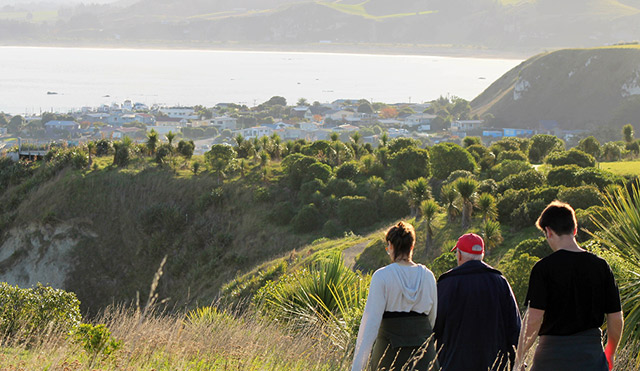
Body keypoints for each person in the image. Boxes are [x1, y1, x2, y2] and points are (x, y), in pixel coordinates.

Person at [514, 201, 624, 371]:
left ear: (548, 231)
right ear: (574, 229)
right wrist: (610, 352)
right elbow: (616, 318)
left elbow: (534, 320)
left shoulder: (543, 268)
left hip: (551, 358)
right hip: (591, 357)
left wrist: (519, 358)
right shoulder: (601, 266)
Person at [351, 221, 439, 371]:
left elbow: (370, 324)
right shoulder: (428, 276)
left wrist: (357, 367)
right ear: (412, 247)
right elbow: (432, 318)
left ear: (390, 246)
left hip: (389, 355)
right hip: (423, 355)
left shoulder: (382, 276)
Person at [434, 233, 521, 371]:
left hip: (454, 364)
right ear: (483, 254)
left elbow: (434, 326)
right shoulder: (500, 282)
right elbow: (515, 327)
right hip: (494, 364)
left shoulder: (447, 283)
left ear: (460, 255)